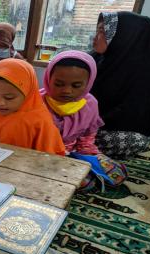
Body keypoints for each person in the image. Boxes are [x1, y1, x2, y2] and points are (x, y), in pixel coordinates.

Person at [41, 50, 127, 191]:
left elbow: (87, 136)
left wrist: (88, 155)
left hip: (74, 151)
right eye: (59, 84)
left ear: (88, 83)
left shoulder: (90, 103)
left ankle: (83, 171)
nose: (67, 91)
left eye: (76, 86)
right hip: (46, 153)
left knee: (117, 174)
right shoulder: (38, 101)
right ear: (48, 78)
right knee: (85, 182)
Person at [90, 11, 150, 158]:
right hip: (91, 121)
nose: (95, 38)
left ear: (123, 35)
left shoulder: (149, 70)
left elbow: (132, 113)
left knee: (79, 136)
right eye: (97, 30)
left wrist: (87, 123)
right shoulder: (97, 58)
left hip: (127, 130)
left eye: (102, 32)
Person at [0, 58, 66, 155]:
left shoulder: (39, 120)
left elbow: (50, 158)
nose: (0, 103)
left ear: (27, 93)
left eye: (9, 97)